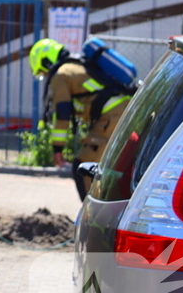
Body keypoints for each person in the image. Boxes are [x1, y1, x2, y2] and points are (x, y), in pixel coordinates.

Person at [29, 37, 131, 200]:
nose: (45, 75)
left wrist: (57, 149)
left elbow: (62, 114)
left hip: (113, 118)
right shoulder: (76, 66)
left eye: (43, 71)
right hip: (120, 114)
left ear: (46, 62)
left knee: (83, 167)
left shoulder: (61, 75)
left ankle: (91, 213)